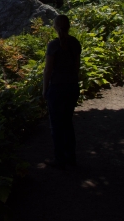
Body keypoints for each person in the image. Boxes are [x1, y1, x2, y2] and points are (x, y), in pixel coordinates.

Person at [42, 14, 82, 168]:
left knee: (56, 125)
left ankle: (59, 158)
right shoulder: (75, 43)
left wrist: (45, 89)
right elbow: (76, 68)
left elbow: (48, 70)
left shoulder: (53, 45)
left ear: (55, 27)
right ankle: (71, 157)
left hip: (57, 88)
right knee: (67, 123)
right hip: (72, 87)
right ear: (69, 26)